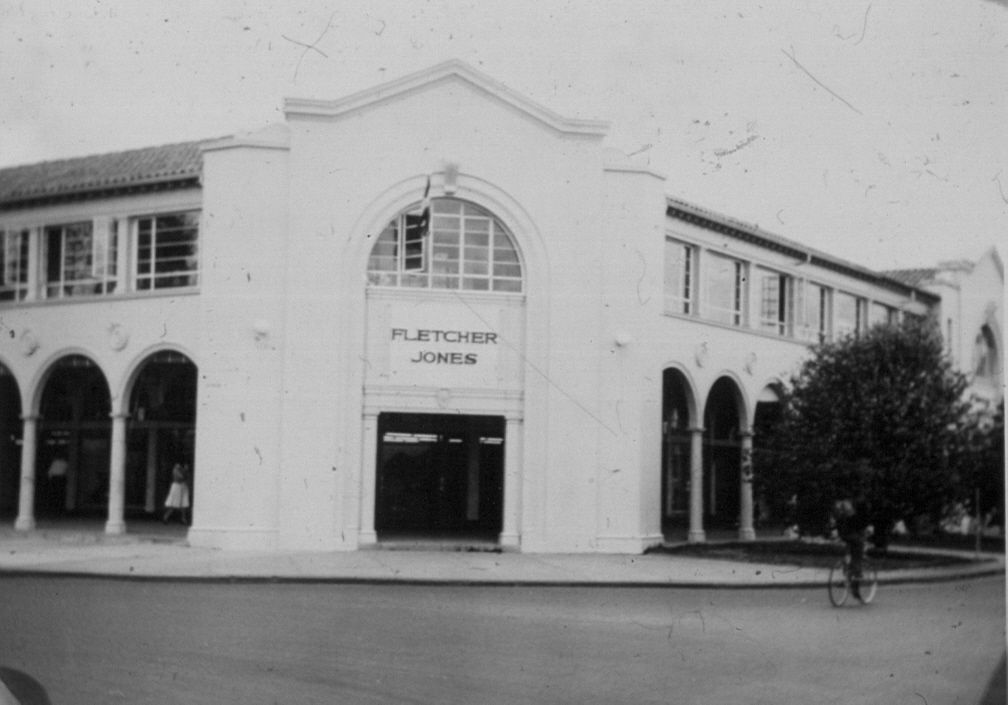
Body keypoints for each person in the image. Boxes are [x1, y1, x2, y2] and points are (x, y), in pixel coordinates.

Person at [832, 498, 871, 599]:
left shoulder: (842, 507)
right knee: (857, 557)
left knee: (849, 555)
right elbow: (860, 525)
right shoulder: (857, 508)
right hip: (853, 536)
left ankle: (847, 575)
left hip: (844, 535)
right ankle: (855, 580)